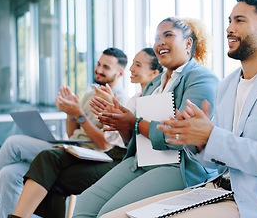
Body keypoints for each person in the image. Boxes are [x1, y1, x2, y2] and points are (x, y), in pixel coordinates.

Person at [121, 0, 257, 218]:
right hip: (212, 189)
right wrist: (195, 141)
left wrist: (211, 136)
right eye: (230, 21)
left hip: (254, 202)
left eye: (239, 21)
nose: (229, 29)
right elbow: (215, 163)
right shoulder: (226, 85)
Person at [71, 17, 219, 217]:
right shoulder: (154, 83)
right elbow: (135, 138)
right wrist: (120, 121)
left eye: (168, 35)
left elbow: (182, 136)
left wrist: (133, 122)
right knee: (85, 204)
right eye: (157, 37)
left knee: (109, 213)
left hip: (177, 167)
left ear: (188, 43)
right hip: (140, 161)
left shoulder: (201, 78)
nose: (160, 42)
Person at [9, 48, 163, 218]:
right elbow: (107, 137)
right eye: (133, 63)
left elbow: (113, 143)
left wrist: (103, 111)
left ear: (154, 73)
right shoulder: (131, 99)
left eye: (138, 65)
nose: (132, 69)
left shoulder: (144, 101)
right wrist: (71, 113)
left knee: (21, 151)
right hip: (106, 152)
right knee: (46, 158)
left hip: (116, 157)